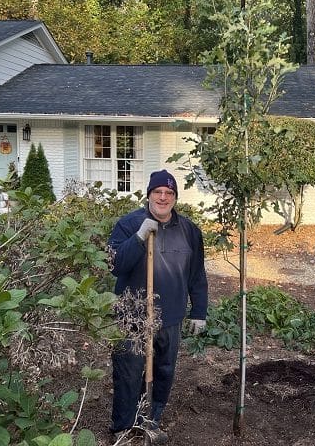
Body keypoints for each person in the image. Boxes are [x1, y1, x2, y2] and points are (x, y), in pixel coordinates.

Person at [108, 169, 208, 445]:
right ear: (149, 195)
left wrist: (199, 311)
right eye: (157, 192)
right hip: (132, 316)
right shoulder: (129, 224)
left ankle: (150, 419)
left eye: (169, 193)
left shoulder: (189, 231)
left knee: (163, 371)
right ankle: (124, 427)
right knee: (128, 371)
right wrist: (139, 238)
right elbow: (115, 265)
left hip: (170, 317)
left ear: (175, 197)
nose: (163, 197)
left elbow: (197, 274)